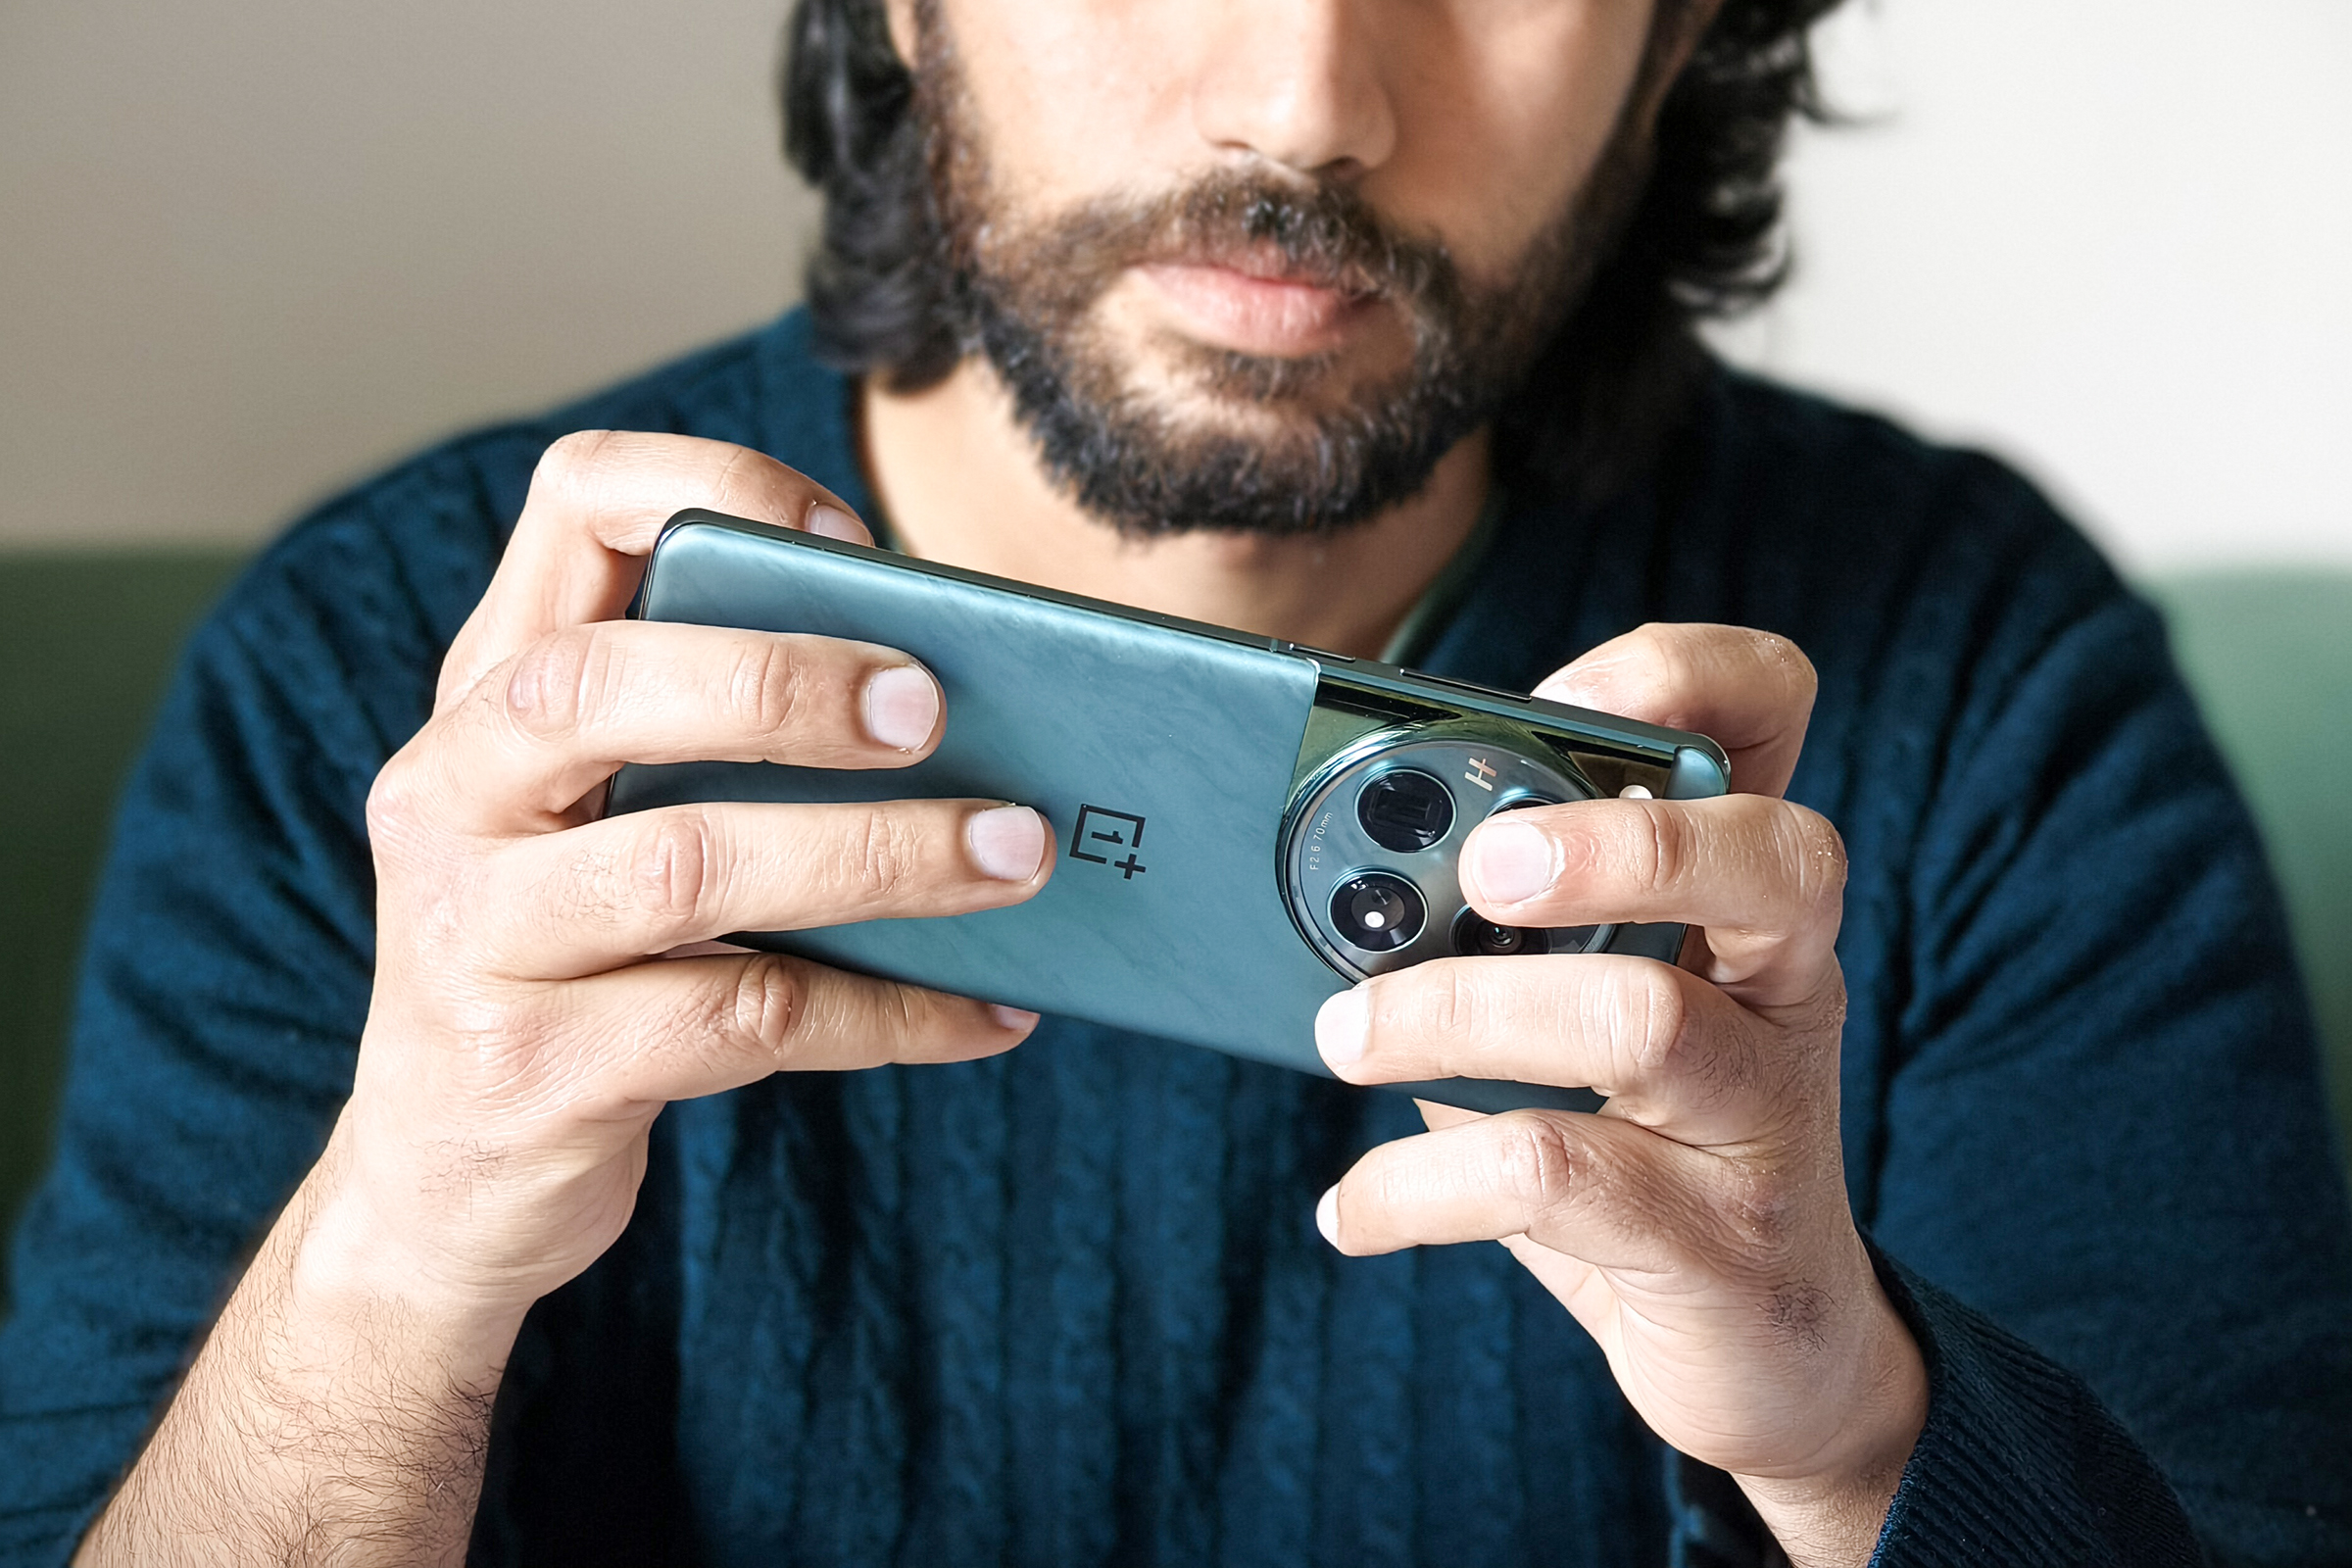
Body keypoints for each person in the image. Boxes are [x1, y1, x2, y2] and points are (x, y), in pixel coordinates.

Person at [3, 0, 2347, 1562]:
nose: (1312, 98)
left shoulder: (1964, 686)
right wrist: (390, 1260)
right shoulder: (406, 683)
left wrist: (1858, 1433)